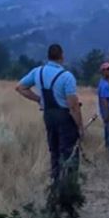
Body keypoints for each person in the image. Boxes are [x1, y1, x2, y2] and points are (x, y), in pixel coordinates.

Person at [15, 44, 84, 184]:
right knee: (69, 154)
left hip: (48, 117)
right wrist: (80, 127)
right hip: (65, 119)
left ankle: (55, 185)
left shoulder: (37, 72)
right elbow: (73, 106)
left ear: (48, 56)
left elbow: (20, 87)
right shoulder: (67, 76)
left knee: (54, 152)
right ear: (62, 56)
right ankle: (69, 188)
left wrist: (39, 99)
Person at [98, 62, 109, 156]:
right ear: (103, 71)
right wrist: (108, 115)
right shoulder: (105, 85)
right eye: (108, 69)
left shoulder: (103, 83)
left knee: (108, 134)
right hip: (108, 114)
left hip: (107, 114)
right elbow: (104, 101)